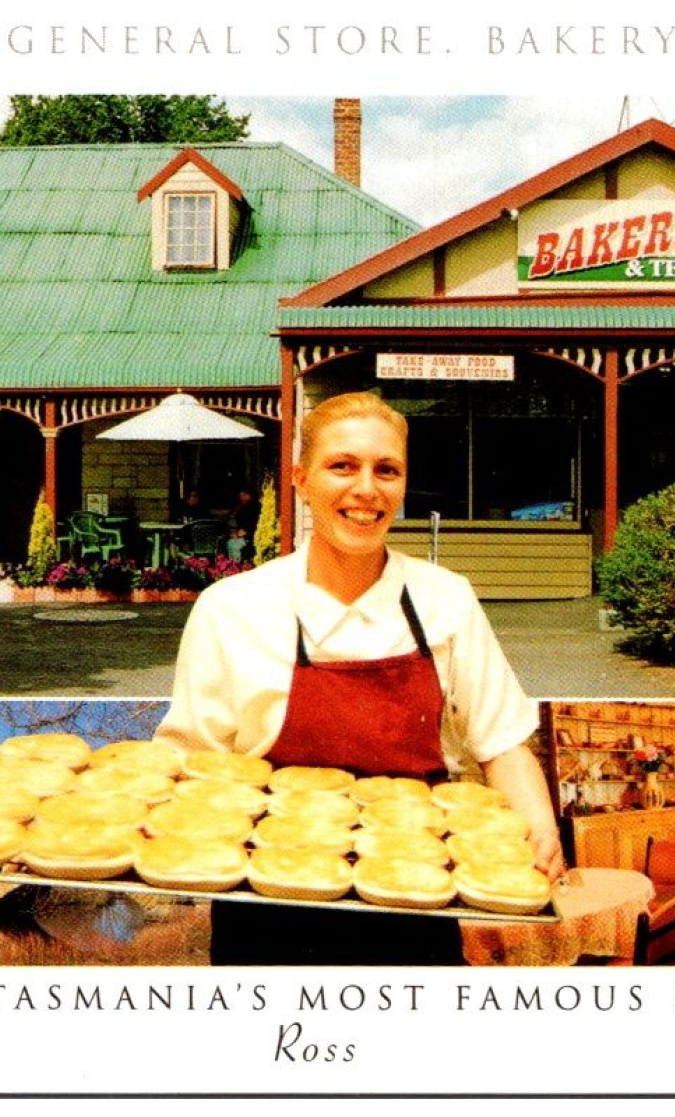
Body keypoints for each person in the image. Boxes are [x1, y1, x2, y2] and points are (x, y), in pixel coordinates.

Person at [155, 391, 562, 965]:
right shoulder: (232, 608)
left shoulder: (446, 600)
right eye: (341, 466)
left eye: (386, 470)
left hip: (417, 899)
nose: (366, 489)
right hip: (265, 907)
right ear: (300, 479)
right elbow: (196, 765)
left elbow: (501, 745)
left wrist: (539, 833)